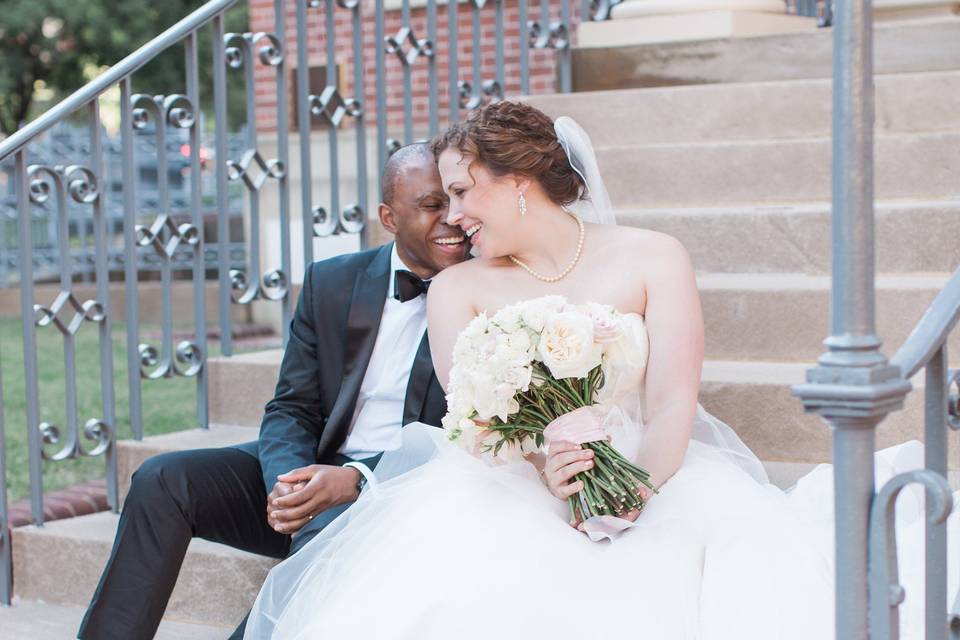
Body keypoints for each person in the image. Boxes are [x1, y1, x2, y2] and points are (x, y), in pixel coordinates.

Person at [243, 102, 959, 639]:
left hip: (657, 469)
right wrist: (540, 465)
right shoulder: (457, 289)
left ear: (519, 181)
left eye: (462, 190)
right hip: (508, 487)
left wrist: (636, 487)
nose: (454, 216)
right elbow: (472, 421)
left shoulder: (654, 256)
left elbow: (675, 400)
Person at [78, 143, 471, 640]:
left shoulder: (484, 292)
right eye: (433, 205)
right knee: (165, 479)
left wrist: (354, 480)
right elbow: (292, 406)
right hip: (316, 476)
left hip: (402, 495)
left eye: (457, 201)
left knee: (329, 537)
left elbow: (463, 440)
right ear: (389, 217)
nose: (453, 220)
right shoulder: (333, 281)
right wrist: (290, 484)